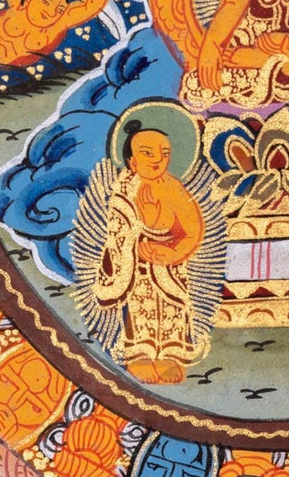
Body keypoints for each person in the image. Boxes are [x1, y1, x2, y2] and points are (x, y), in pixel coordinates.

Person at [88, 123, 207, 384]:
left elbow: (193, 231)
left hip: (168, 269)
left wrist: (172, 252)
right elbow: (116, 234)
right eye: (147, 153)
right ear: (132, 161)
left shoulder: (173, 188)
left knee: (172, 313)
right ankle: (140, 356)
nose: (157, 160)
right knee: (139, 313)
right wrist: (130, 249)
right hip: (135, 270)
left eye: (164, 154)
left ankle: (170, 357)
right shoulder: (123, 191)